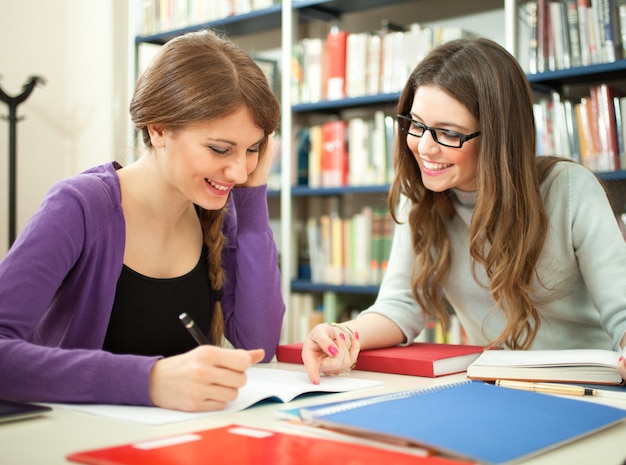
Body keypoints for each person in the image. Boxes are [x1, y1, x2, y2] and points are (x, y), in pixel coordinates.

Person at [302, 37, 626, 384]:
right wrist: (343, 335)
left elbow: (622, 312)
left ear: (498, 137)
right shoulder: (419, 199)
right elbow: (400, 307)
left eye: (447, 133)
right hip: (496, 386)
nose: (424, 147)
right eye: (416, 124)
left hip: (590, 385)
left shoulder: (569, 189)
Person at [0, 30, 285, 411]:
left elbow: (259, 345)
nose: (238, 171)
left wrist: (251, 201)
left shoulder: (218, 213)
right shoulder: (80, 206)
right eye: (219, 149)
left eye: (253, 149)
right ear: (159, 129)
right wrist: (149, 381)